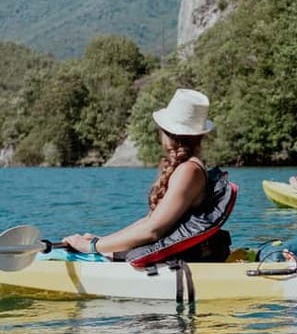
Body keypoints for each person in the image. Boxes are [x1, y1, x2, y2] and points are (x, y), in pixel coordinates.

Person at [62, 88, 233, 263]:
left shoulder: (189, 171)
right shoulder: (190, 168)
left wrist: (91, 247)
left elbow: (152, 231)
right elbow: (149, 221)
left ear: (166, 133)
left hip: (182, 259)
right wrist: (103, 241)